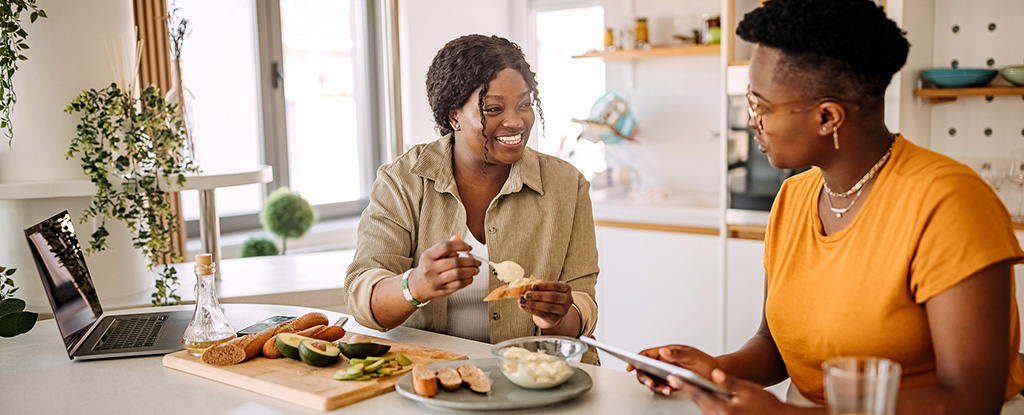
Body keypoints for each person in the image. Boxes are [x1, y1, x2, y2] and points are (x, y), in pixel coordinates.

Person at [631, 0, 1024, 413]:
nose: (751, 121)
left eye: (761, 106)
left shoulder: (950, 202)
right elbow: (776, 347)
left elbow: (970, 399)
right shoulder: (795, 197)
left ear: (828, 118)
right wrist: (711, 370)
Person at [345, 34, 600, 363]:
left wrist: (557, 316)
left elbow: (583, 305)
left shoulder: (566, 185)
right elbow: (363, 296)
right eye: (493, 109)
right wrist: (416, 285)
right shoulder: (403, 180)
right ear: (454, 117)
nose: (516, 121)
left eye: (524, 104)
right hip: (429, 379)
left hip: (536, 380)